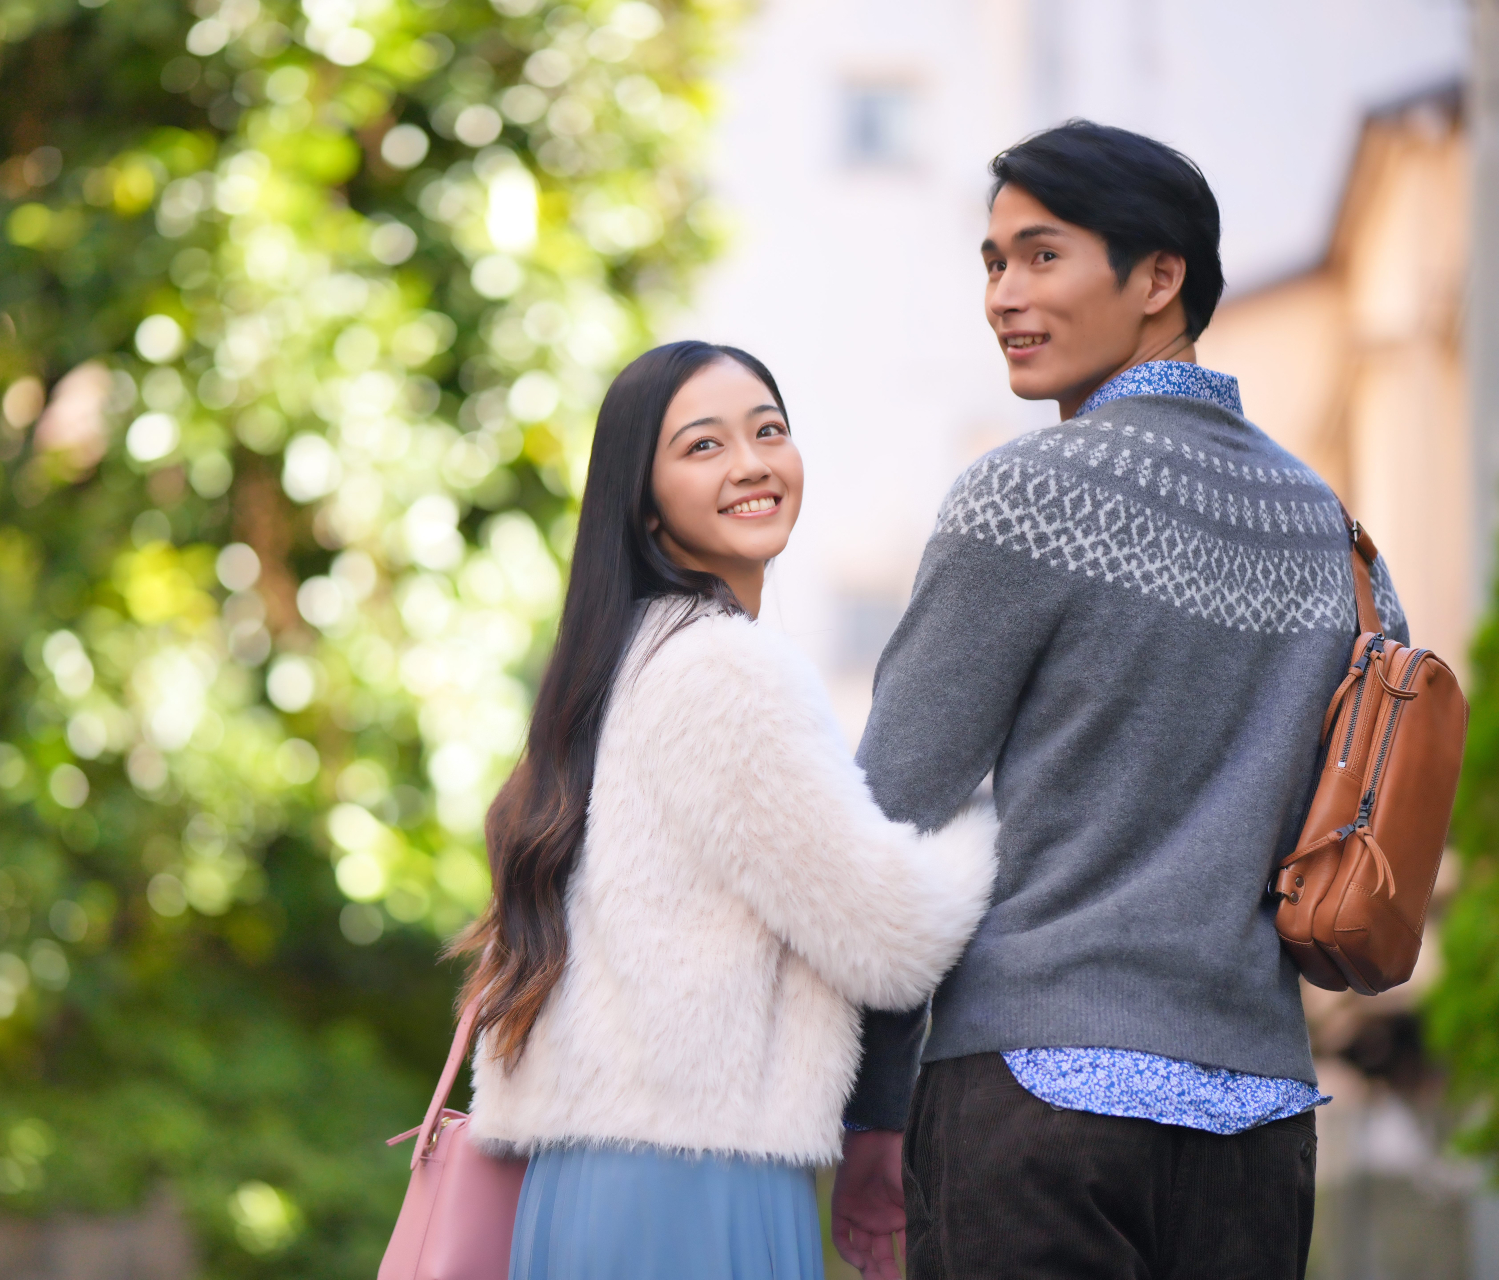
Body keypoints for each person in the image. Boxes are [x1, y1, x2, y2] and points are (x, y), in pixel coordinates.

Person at [829, 120, 1408, 1280]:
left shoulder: (1023, 497)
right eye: (993, 263)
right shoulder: (1339, 539)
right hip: (1258, 1114)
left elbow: (886, 819)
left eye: (1043, 256)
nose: (1003, 295)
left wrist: (874, 1106)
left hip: (1037, 1100)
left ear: (1159, 277)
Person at [458, 340, 999, 1279]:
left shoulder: (624, 659)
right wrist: (995, 823)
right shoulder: (722, 669)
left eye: (769, 431)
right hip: (692, 1184)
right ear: (645, 498)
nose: (751, 463)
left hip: (593, 1181)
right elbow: (890, 936)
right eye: (703, 446)